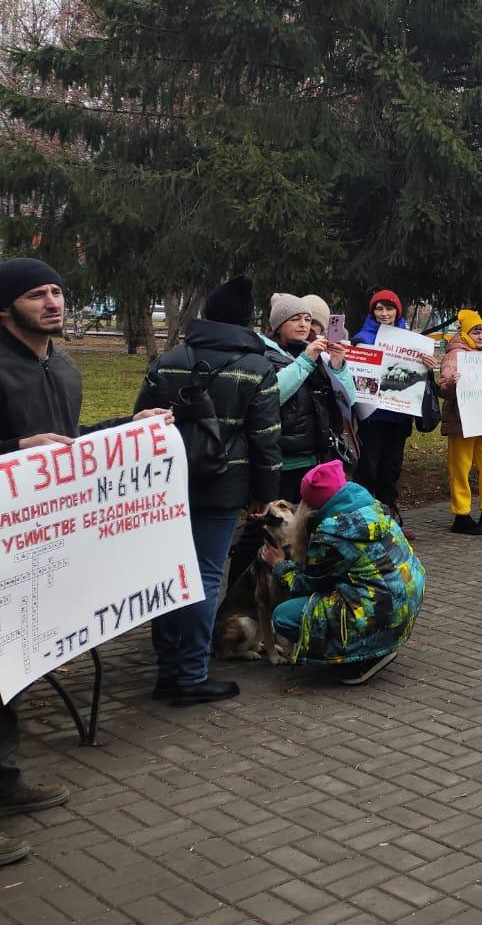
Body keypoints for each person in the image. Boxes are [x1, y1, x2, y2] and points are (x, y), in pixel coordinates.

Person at [0, 257, 174, 863]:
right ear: (5, 309)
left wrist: (132, 425)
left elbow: (69, 446)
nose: (52, 302)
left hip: (34, 551)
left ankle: (6, 782)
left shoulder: (64, 365)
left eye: (57, 291)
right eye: (36, 294)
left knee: (13, 665)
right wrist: (13, 448)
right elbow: (29, 449)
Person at [135, 274, 282, 707]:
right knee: (202, 576)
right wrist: (264, 495)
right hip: (224, 486)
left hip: (166, 482)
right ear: (244, 321)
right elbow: (266, 439)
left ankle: (167, 670)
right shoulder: (258, 368)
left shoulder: (171, 359)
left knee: (167, 573)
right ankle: (191, 674)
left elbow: (142, 419)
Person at [262, 461, 425, 685]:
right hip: (407, 602)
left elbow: (305, 584)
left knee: (284, 616)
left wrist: (279, 566)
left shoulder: (331, 534)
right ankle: (377, 645)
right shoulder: (371, 507)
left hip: (381, 611)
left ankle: (361, 659)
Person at [352, 290, 438, 529]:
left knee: (391, 468)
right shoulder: (363, 338)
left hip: (399, 416)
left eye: (388, 308)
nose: (384, 313)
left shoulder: (411, 341)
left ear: (397, 311)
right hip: (372, 417)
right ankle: (366, 520)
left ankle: (389, 521)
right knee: (368, 467)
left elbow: (417, 376)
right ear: (372, 311)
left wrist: (428, 367)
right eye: (379, 308)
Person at [260, 292, 356, 501]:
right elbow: (272, 397)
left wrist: (338, 367)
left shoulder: (320, 353)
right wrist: (306, 360)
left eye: (307, 319)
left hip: (319, 454)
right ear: (278, 325)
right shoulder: (266, 356)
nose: (303, 324)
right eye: (295, 319)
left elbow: (349, 400)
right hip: (285, 458)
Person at [438, 309, 482, 533]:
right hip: (461, 422)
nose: (480, 337)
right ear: (465, 332)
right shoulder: (454, 356)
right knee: (461, 467)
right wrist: (452, 383)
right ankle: (461, 515)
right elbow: (443, 388)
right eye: (476, 332)